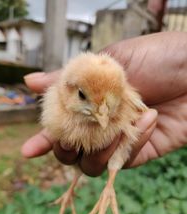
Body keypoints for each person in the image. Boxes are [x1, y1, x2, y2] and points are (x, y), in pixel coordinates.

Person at [21, 31, 187, 177]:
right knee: (75, 155)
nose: (102, 115)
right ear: (67, 87)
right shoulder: (58, 99)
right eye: (82, 96)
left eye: (112, 102)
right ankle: (77, 183)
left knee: (104, 154)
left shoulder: (126, 101)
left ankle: (108, 187)